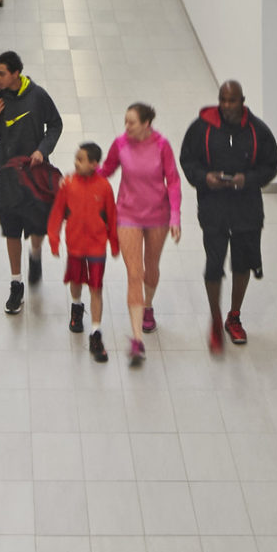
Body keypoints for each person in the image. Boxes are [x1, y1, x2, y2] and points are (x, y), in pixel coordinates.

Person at [180, 80, 277, 349]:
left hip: (246, 210)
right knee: (214, 265)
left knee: (242, 264)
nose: (226, 106)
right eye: (222, 100)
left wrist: (245, 179)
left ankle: (233, 317)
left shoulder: (258, 132)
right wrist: (205, 178)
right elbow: (188, 160)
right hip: (214, 209)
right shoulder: (201, 128)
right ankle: (214, 319)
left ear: (242, 101)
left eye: (232, 101)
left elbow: (271, 165)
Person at [0, 50, 64, 315]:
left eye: (1, 73)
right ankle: (16, 283)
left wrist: (42, 150)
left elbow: (56, 125)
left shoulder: (38, 96)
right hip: (8, 179)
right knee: (12, 230)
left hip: (36, 178)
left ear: (16, 73)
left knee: (36, 229)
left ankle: (35, 254)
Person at [100, 103, 181, 365]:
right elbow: (107, 170)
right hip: (128, 215)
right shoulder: (120, 143)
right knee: (134, 274)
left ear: (146, 124)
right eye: (125, 121)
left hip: (158, 215)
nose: (126, 127)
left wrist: (176, 216)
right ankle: (137, 340)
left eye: (131, 122)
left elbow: (173, 180)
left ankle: (148, 306)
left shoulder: (162, 145)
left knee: (150, 267)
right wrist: (85, 178)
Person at [47, 140, 119, 361]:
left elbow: (112, 216)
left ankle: (95, 332)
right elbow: (58, 212)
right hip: (75, 246)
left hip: (97, 246)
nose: (75, 163)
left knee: (96, 287)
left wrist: (114, 242)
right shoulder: (68, 184)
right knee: (76, 282)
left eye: (81, 159)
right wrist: (54, 238)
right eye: (76, 158)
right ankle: (76, 307)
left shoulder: (104, 187)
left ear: (95, 164)